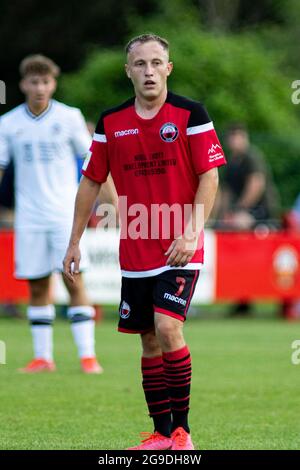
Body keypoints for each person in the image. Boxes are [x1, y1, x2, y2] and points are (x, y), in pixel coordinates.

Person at [63, 34, 226, 450]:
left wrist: (192, 230)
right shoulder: (111, 122)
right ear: (128, 71)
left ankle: (182, 432)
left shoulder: (191, 114)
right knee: (149, 339)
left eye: (157, 63)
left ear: (168, 68)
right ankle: (158, 432)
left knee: (168, 328)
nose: (149, 71)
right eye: (140, 64)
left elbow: (210, 177)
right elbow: (91, 181)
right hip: (135, 248)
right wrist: (74, 241)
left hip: (180, 245)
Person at [0, 54, 102, 373]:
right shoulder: (8, 123)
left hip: (64, 215)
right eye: (34, 82)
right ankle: (43, 357)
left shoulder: (70, 117)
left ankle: (88, 356)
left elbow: (93, 163)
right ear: (23, 85)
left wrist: (112, 202)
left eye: (45, 82)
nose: (40, 88)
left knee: (74, 281)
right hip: (28, 217)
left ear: (53, 84)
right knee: (37, 285)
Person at [216, 122, 279, 231]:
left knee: (236, 224)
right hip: (241, 210)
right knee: (220, 225)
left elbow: (256, 185)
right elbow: (226, 191)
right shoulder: (230, 162)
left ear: (245, 137)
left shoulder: (251, 157)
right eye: (232, 136)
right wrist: (223, 214)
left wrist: (238, 208)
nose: (234, 140)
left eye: (237, 136)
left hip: (260, 211)